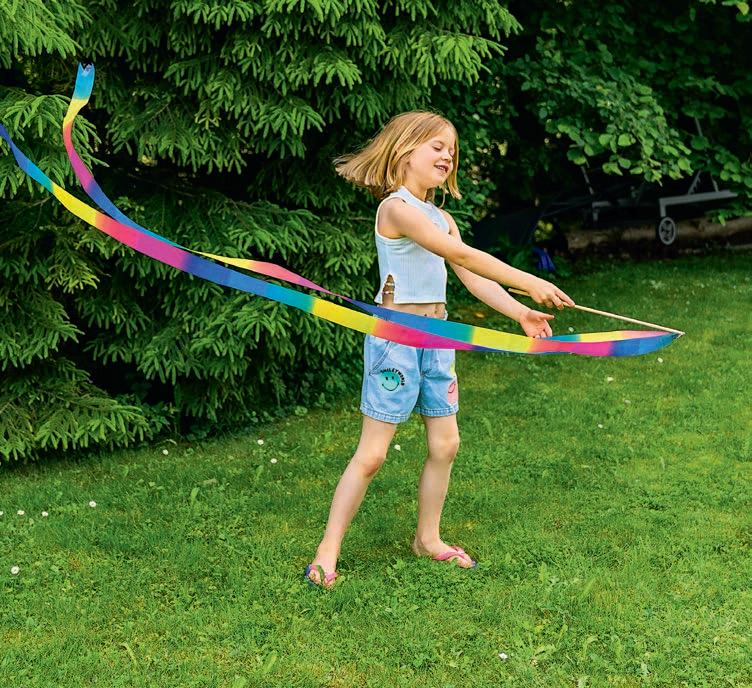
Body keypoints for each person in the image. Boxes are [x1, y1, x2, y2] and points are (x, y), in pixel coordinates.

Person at [304, 111, 574, 588]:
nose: (448, 155)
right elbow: (463, 255)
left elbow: (470, 275)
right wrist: (530, 280)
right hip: (396, 341)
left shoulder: (441, 217)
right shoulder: (396, 209)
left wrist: (520, 312)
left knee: (446, 444)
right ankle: (327, 550)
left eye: (452, 149)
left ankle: (427, 539)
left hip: (438, 337)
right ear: (405, 150)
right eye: (437, 146)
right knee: (373, 455)